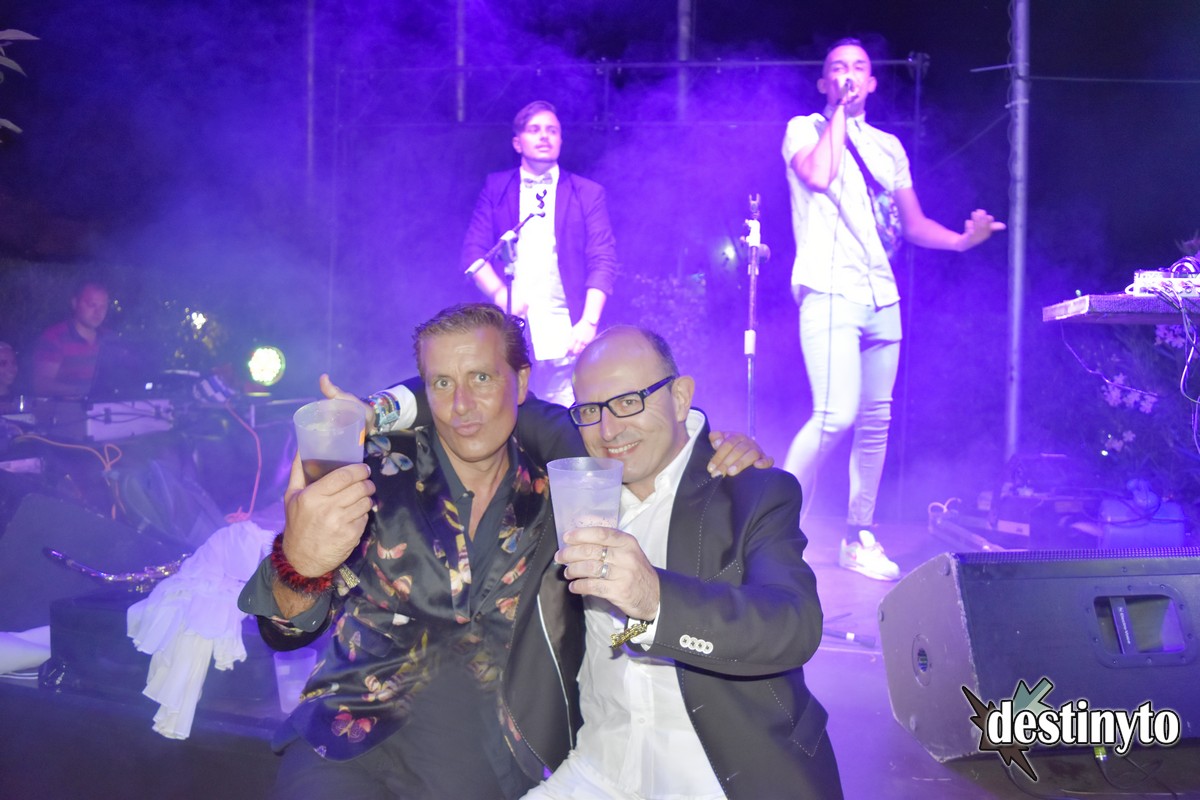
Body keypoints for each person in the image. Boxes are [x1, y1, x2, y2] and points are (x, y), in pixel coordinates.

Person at [240, 304, 764, 800]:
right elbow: (283, 632)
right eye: (442, 383)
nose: (461, 407)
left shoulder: (569, 489)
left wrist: (708, 448)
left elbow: (645, 441)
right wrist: (299, 565)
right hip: (347, 739)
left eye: (482, 379)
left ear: (523, 382)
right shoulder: (372, 469)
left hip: (487, 756)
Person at [522, 326, 843, 800]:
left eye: (628, 401)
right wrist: (400, 405)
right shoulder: (580, 484)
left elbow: (794, 625)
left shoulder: (750, 491)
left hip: (718, 778)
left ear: (679, 398)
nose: (608, 430)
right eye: (590, 409)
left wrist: (656, 600)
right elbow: (488, 397)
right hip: (601, 769)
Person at [781, 38, 1004, 581]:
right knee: (835, 414)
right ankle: (774, 528)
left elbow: (912, 223)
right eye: (838, 69)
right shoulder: (804, 129)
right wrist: (838, 112)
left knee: (875, 422)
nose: (849, 75)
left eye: (859, 68)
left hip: (882, 296)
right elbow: (818, 175)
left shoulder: (888, 147)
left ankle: (859, 535)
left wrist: (962, 242)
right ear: (824, 82)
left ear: (873, 82)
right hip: (828, 288)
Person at [462, 100, 618, 407]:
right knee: (511, 414)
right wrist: (500, 293)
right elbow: (473, 253)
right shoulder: (497, 187)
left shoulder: (587, 193)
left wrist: (589, 322)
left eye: (552, 130)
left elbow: (603, 258)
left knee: (565, 417)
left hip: (568, 331)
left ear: (561, 140)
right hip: (512, 328)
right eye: (534, 130)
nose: (544, 136)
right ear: (517, 142)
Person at [30, 279, 112, 397]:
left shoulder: (110, 339)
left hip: (106, 406)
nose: (98, 312)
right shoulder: (55, 337)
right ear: (75, 303)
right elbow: (41, 385)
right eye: (92, 305)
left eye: (103, 307)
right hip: (66, 407)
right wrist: (82, 392)